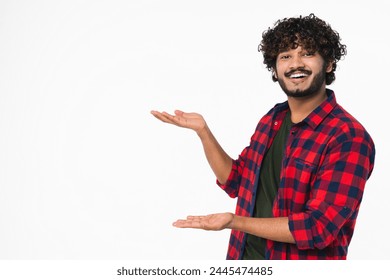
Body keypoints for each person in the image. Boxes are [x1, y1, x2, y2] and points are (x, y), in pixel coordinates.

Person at [150, 14, 375, 260]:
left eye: (307, 53)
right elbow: (237, 180)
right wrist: (203, 131)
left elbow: (317, 228)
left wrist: (235, 222)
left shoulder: (348, 137)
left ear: (329, 63)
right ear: (275, 68)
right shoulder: (273, 119)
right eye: (285, 56)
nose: (295, 64)